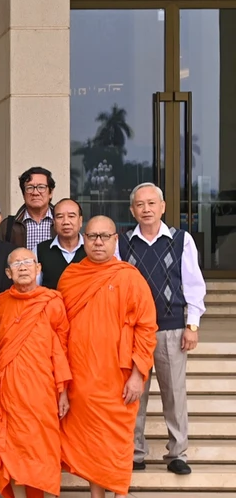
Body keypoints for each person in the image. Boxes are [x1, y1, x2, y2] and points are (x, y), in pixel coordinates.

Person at [58, 216, 157, 498]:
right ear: (83, 240)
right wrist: (62, 383)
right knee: (91, 441)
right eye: (92, 236)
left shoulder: (129, 277)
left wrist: (139, 375)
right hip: (82, 376)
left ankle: (119, 493)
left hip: (119, 377)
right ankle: (96, 495)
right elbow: (60, 331)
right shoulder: (71, 277)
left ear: (116, 240)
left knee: (117, 440)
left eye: (104, 236)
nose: (98, 242)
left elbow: (147, 327)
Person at [0, 247, 72, 498]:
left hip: (42, 390)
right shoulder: (1, 303)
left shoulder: (52, 301)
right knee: (10, 448)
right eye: (17, 264)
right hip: (9, 390)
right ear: (8, 273)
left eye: (29, 262)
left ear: (39, 268)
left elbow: (61, 348)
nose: (24, 267)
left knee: (38, 449)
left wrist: (63, 391)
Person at [121, 183, 206, 475]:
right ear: (132, 210)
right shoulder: (123, 243)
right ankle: (134, 452)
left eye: (151, 204)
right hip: (132, 332)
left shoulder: (181, 240)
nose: (146, 209)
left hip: (170, 328)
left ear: (163, 207)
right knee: (134, 393)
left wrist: (191, 325)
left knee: (174, 394)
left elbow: (194, 285)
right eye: (140, 205)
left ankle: (177, 453)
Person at [0, 167, 56, 251]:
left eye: (41, 187)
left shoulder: (61, 222)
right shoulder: (8, 226)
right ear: (23, 194)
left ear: (50, 192)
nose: (35, 193)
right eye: (30, 188)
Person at [34, 198, 85, 290]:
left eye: (71, 216)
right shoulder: (39, 251)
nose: (66, 222)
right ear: (53, 222)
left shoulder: (92, 249)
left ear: (80, 221)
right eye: (60, 217)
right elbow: (34, 289)